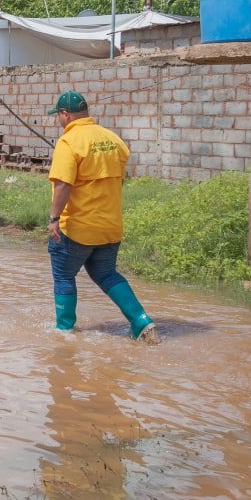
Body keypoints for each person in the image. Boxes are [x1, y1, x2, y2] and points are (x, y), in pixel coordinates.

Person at [46, 91, 158, 345]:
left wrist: (54, 218)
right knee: (106, 273)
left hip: (78, 227)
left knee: (64, 276)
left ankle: (64, 333)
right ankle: (141, 322)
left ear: (65, 115)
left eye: (58, 116)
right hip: (109, 225)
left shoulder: (69, 142)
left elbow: (63, 184)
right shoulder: (112, 139)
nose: (58, 121)